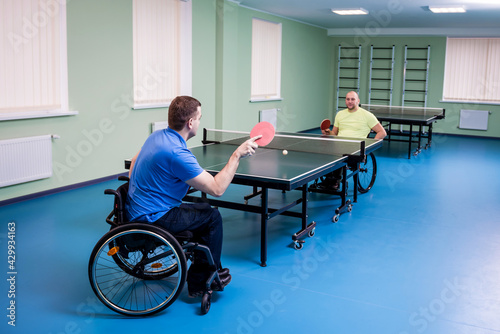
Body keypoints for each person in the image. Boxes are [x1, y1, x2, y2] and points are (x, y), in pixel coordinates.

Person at [125, 95, 260, 297]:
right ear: (190, 123)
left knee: (201, 212)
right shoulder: (177, 154)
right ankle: (201, 282)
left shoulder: (157, 136)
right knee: (211, 217)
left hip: (135, 207)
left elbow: (133, 165)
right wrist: (237, 155)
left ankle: (208, 268)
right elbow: (217, 189)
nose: (199, 121)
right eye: (199, 118)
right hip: (153, 217)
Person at [320, 91, 386, 190]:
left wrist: (368, 147)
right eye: (348, 99)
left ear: (358, 101)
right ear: (345, 101)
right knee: (323, 152)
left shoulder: (367, 115)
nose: (350, 101)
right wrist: (328, 132)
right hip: (339, 145)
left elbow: (382, 132)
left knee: (341, 156)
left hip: (355, 148)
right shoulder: (340, 114)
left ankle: (334, 181)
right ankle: (330, 178)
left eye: (353, 99)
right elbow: (334, 133)